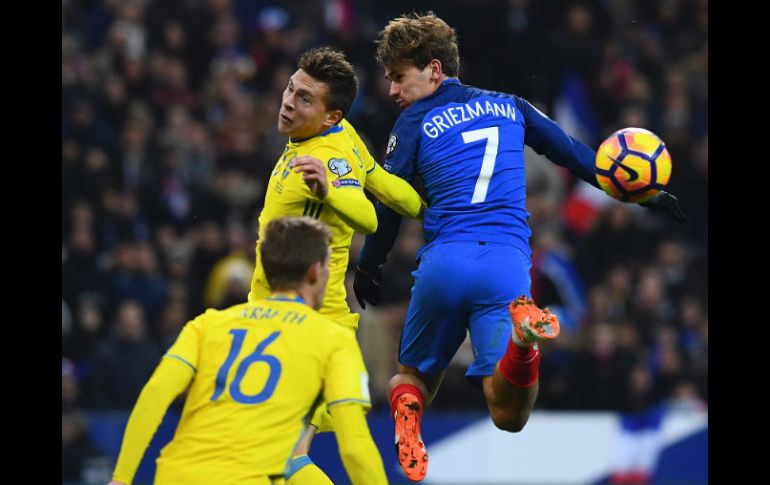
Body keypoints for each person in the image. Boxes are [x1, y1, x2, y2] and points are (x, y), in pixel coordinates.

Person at [352, 12, 686, 482]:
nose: (391, 91)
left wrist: (370, 263)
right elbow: (577, 156)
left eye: (397, 77)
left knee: (408, 380)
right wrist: (642, 194)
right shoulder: (511, 106)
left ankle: (411, 416)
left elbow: (388, 204)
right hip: (508, 267)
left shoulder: (412, 123)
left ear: (434, 68)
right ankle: (524, 341)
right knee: (509, 414)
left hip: (445, 261)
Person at [247, 47, 426, 484]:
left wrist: (329, 191)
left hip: (304, 328)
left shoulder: (328, 157)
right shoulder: (340, 137)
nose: (289, 101)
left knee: (281, 460)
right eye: (291, 89)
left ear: (331, 115)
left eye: (305, 99)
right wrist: (435, 210)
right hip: (286, 323)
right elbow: (394, 193)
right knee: (276, 460)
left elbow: (367, 216)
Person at [107, 216, 388, 485]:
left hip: (179, 476)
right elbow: (355, 445)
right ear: (316, 272)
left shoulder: (207, 323)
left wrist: (121, 477)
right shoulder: (332, 339)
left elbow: (154, 395)